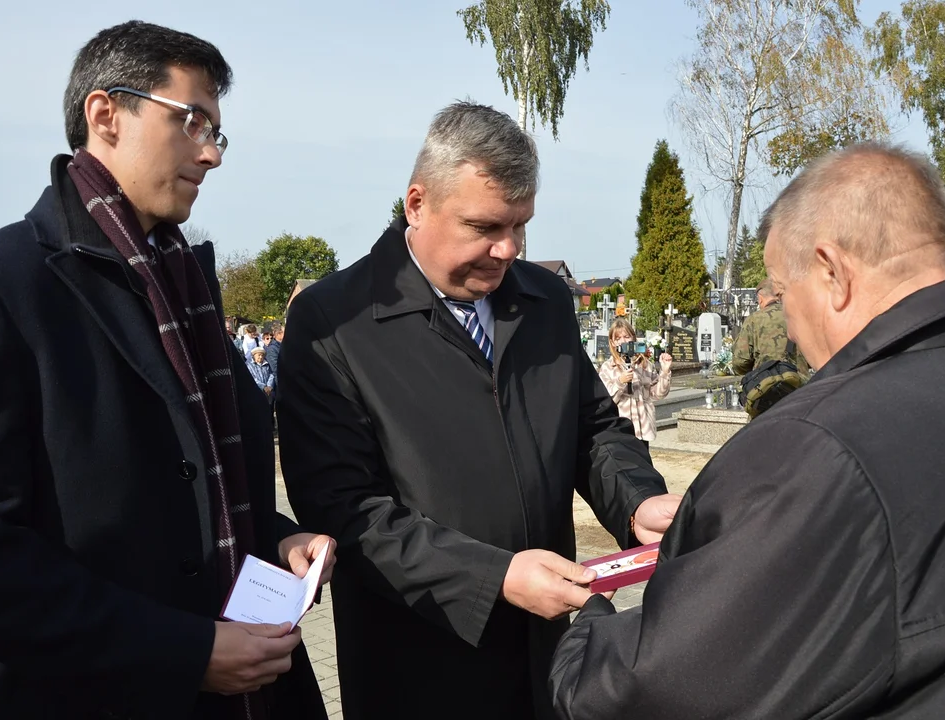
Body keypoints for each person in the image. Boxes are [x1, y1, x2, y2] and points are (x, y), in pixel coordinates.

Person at [0, 21, 334, 720]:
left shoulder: (184, 289)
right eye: (192, 121)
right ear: (104, 114)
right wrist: (183, 650)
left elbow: (195, 479)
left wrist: (275, 534)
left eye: (218, 133)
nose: (211, 153)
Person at [549, 142, 945, 719]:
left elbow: (646, 693)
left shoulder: (818, 446)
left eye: (783, 295)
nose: (785, 322)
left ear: (832, 272)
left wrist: (585, 630)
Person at [276, 101, 681, 720]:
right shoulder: (335, 321)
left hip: (553, 652)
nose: (507, 250)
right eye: (485, 226)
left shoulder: (543, 301)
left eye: (521, 226)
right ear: (417, 205)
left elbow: (594, 430)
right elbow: (344, 508)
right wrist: (493, 578)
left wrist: (638, 499)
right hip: (421, 663)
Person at [597, 318, 673, 449]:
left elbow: (658, 394)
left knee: (643, 467)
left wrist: (665, 372)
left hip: (642, 431)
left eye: (626, 336)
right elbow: (606, 402)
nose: (623, 341)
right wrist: (620, 382)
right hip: (619, 430)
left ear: (633, 338)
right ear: (612, 342)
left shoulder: (644, 365)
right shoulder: (608, 367)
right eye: (618, 338)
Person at [731, 277, 809, 375]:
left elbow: (740, 362)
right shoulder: (800, 316)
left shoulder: (754, 320)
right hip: (800, 383)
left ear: (760, 298)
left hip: (766, 384)